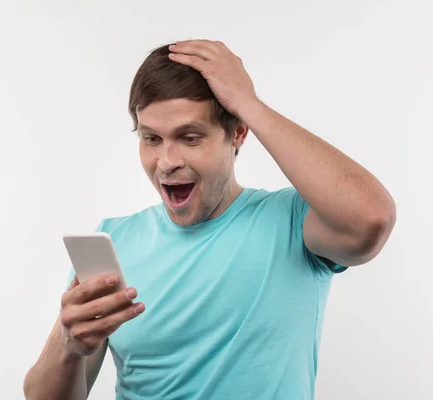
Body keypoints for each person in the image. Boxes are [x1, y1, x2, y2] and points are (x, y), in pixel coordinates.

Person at [23, 39, 396, 400]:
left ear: (237, 133)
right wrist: (69, 347)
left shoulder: (293, 223)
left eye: (189, 137)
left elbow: (371, 218)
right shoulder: (115, 241)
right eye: (151, 138)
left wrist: (247, 103)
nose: (167, 161)